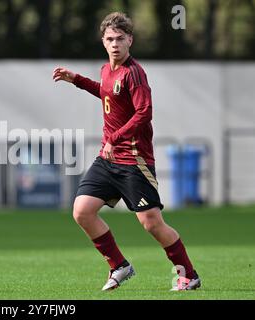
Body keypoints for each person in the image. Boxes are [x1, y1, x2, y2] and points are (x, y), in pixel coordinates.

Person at [53, 12, 200, 291]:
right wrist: (76, 80)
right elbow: (108, 93)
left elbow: (144, 113)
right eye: (110, 39)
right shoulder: (107, 70)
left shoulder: (135, 73)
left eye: (120, 38)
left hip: (135, 160)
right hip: (108, 159)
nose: (115, 44)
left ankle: (188, 274)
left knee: (152, 224)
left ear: (130, 40)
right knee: (82, 211)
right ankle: (119, 266)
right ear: (103, 42)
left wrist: (116, 137)